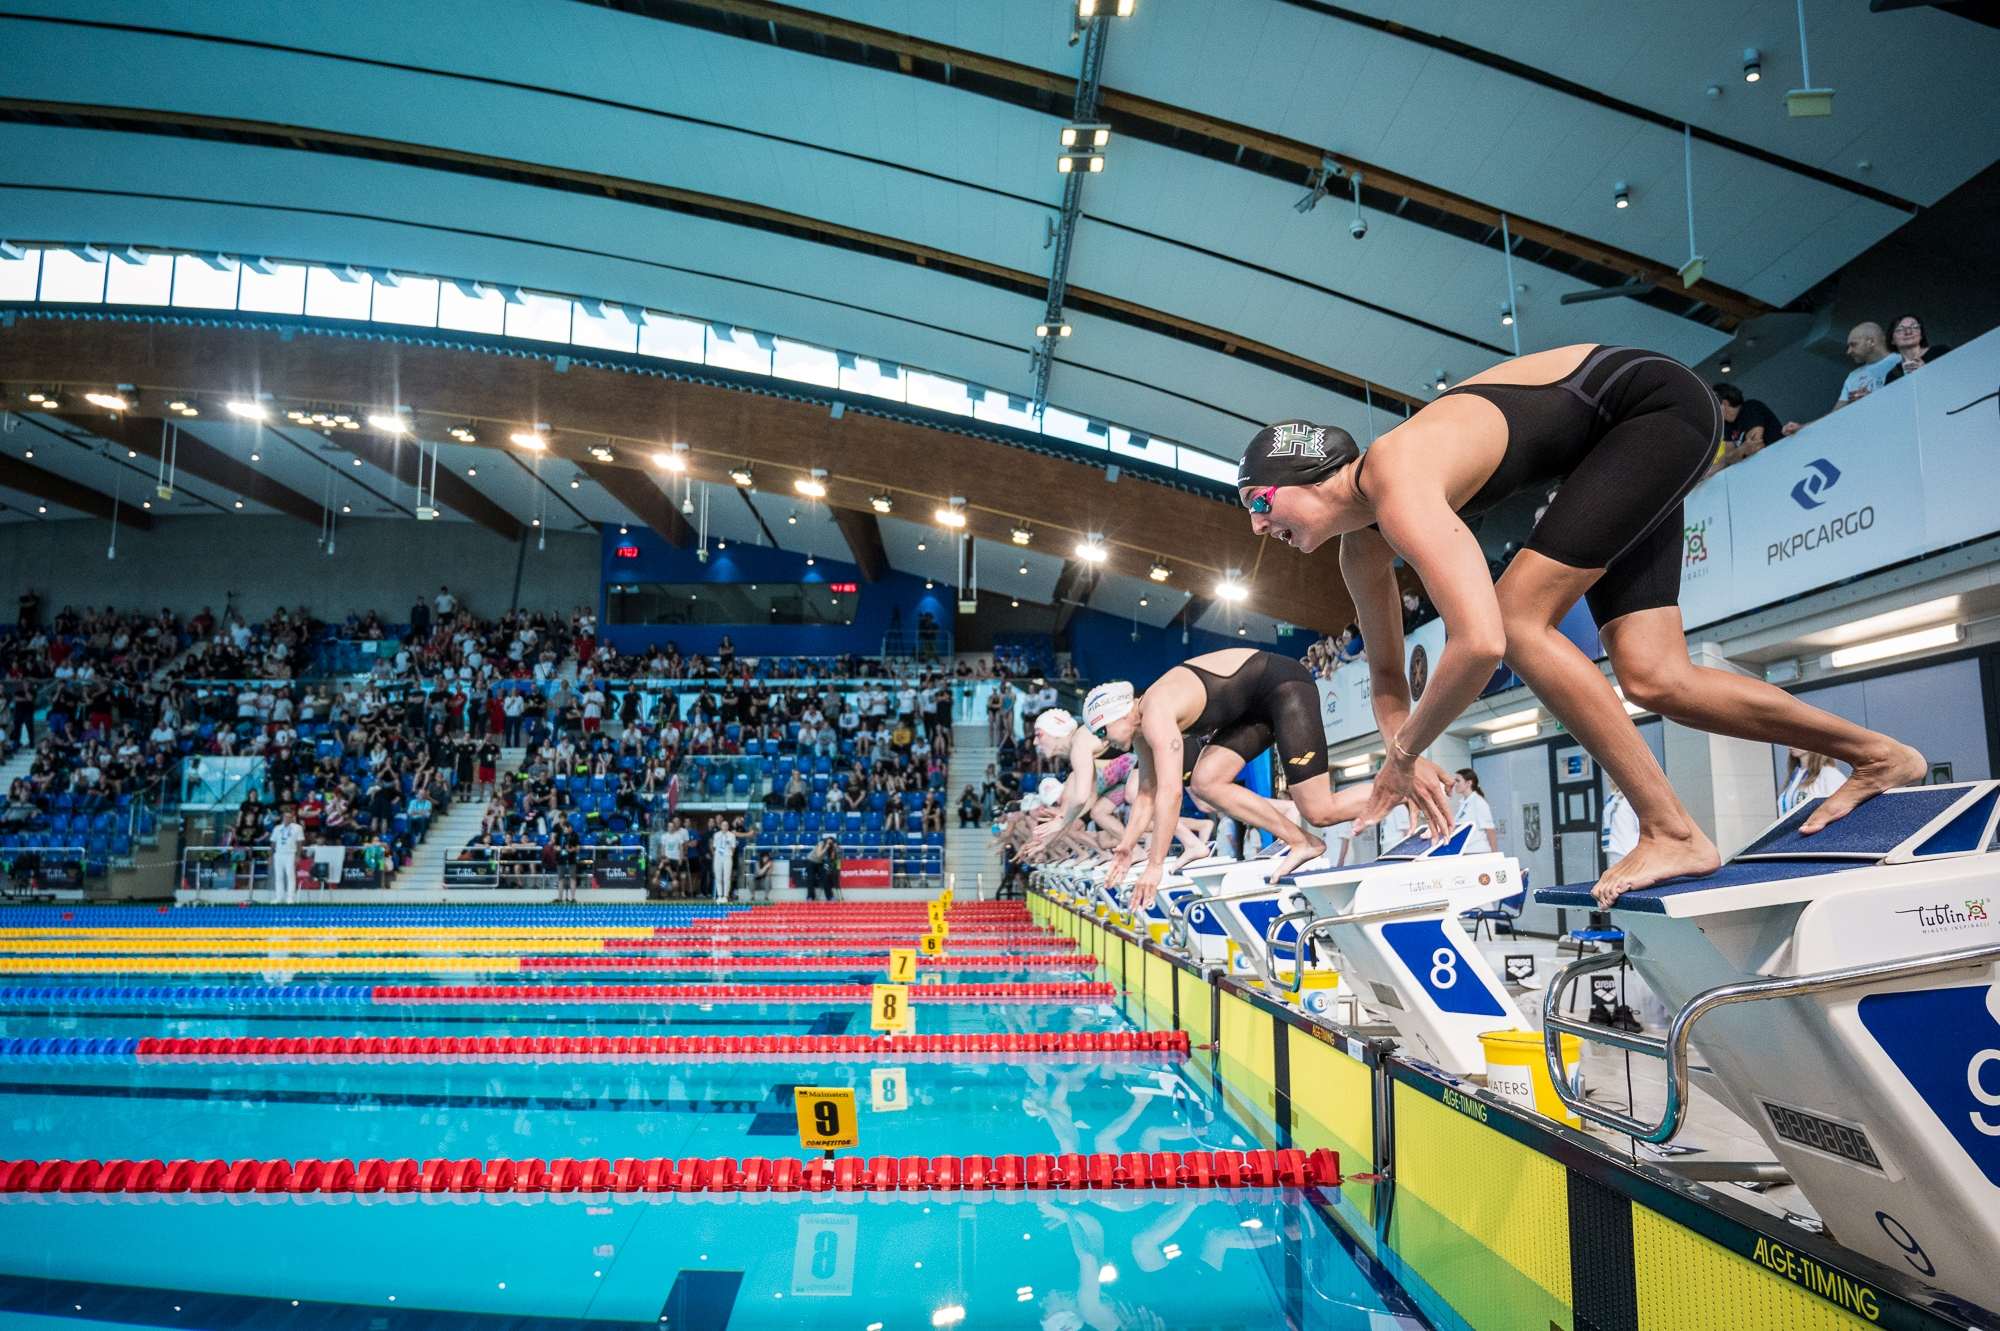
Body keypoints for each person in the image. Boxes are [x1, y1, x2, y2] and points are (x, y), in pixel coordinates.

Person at [1238, 345, 1926, 904]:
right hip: (1617, 446)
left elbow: (1481, 643)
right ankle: (1878, 754)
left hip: (1651, 409)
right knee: (1657, 676)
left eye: (1260, 501)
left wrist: (1406, 753)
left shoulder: (1395, 470)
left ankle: (1670, 828)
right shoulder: (1362, 550)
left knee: (1516, 613)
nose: (1259, 525)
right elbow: (1388, 676)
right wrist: (1400, 753)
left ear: (1307, 469)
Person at [1066, 656, 1376, 906]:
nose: (1101, 742)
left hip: (1282, 686)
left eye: (1101, 732)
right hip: (1253, 709)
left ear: (1118, 714)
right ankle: (1302, 842)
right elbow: (1148, 794)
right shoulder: (1141, 735)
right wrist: (1126, 845)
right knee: (1205, 782)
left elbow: (1171, 793)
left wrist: (1155, 864)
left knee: (1321, 811)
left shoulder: (1154, 712)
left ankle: (1405, 781)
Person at [1779, 322, 1900, 436]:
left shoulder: (1901, 360)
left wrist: (1873, 398)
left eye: (1853, 344)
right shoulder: (1853, 376)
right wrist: (1802, 427)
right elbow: (1835, 414)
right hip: (1870, 434)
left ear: (1871, 341)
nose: (1848, 351)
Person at [1711, 383, 1783, 467]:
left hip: (1779, 459)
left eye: (1713, 406)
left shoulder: (1751, 408)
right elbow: (1727, 459)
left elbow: (1755, 447)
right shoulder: (1727, 425)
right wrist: (1741, 450)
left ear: (1725, 403)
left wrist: (1734, 455)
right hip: (1760, 468)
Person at [1882, 314, 1951, 385]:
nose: (1908, 332)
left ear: (1921, 335)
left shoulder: (1941, 352)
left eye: (1914, 327)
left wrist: (1927, 371)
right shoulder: (1892, 375)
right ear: (1892, 340)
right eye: (1900, 329)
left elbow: (1956, 380)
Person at [1779, 748, 1848, 814]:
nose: (1790, 744)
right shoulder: (1795, 775)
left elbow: (1842, 809)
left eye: (1797, 738)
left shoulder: (1830, 774)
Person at [1451, 769, 1498, 852]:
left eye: (1458, 781)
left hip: (1478, 851)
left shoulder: (1478, 802)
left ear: (1469, 783)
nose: (1455, 784)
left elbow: (1490, 830)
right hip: (1466, 851)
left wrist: (1495, 854)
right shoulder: (1463, 803)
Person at [269, 806, 304, 904]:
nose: (287, 819)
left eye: (289, 817)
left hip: (290, 854)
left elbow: (300, 843)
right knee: (279, 876)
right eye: (285, 817)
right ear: (282, 817)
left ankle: (290, 897)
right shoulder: (277, 828)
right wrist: (270, 856)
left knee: (290, 875)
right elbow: (273, 843)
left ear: (292, 817)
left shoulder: (297, 828)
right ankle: (279, 897)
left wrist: (298, 855)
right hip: (278, 854)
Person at [710, 815, 738, 902]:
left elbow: (733, 847)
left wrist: (730, 855)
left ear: (728, 826)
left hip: (727, 857)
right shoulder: (716, 835)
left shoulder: (731, 835)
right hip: (718, 857)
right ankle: (719, 895)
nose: (725, 827)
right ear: (721, 826)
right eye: (723, 825)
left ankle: (725, 895)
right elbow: (714, 846)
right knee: (718, 876)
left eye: (726, 825)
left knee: (727, 876)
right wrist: (716, 854)